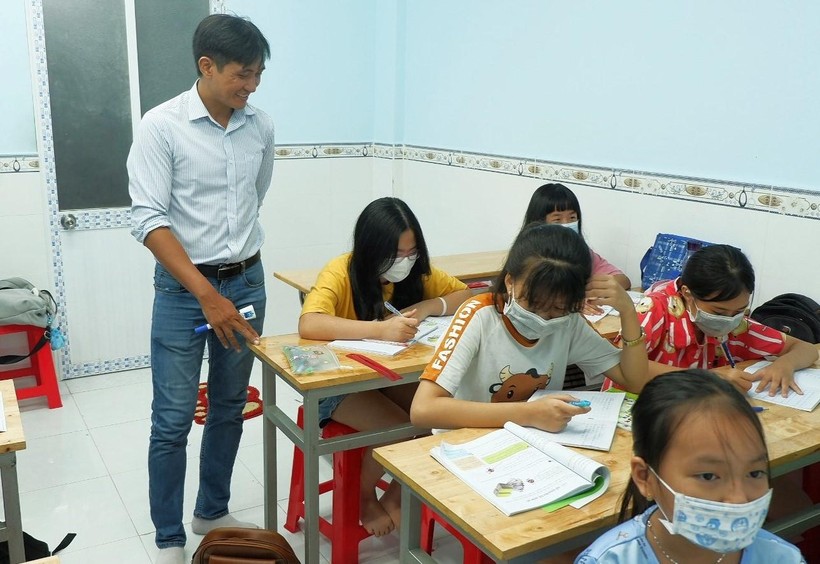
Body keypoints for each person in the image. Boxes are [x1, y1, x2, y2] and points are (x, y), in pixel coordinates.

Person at [128, 14, 274, 564]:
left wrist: (230, 280)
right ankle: (169, 536)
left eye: (258, 74)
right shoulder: (162, 126)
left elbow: (254, 198)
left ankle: (212, 510)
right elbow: (148, 220)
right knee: (172, 418)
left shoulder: (260, 126)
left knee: (230, 406)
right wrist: (207, 294)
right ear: (207, 66)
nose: (251, 85)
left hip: (247, 281)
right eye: (242, 74)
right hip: (182, 292)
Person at [298, 196, 473, 536]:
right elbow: (309, 323)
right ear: (371, 249)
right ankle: (363, 496)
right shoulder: (341, 270)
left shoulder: (416, 272)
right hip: (339, 383)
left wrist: (428, 306)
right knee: (400, 427)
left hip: (388, 376)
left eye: (412, 252)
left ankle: (395, 492)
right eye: (396, 255)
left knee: (435, 415)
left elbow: (466, 295)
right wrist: (379, 330)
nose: (405, 262)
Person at [410, 222, 649, 433]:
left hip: (532, 443)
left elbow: (634, 380)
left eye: (558, 309)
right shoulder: (479, 315)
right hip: (467, 441)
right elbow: (423, 409)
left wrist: (628, 312)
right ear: (510, 282)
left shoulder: (570, 323)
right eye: (533, 305)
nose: (544, 318)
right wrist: (528, 414)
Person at [576, 369, 805, 563]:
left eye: (754, 473)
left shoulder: (783, 558)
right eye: (708, 476)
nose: (739, 499)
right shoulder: (608, 560)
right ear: (645, 478)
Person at [620, 244, 818, 396]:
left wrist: (785, 364)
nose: (729, 321)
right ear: (688, 294)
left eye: (739, 311)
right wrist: (705, 378)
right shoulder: (655, 310)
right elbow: (622, 366)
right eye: (719, 312)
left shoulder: (737, 325)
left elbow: (806, 349)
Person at [523, 183, 631, 291]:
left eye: (572, 218)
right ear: (539, 223)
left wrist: (586, 289)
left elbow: (623, 280)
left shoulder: (582, 252)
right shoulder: (529, 255)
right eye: (557, 220)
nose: (566, 224)